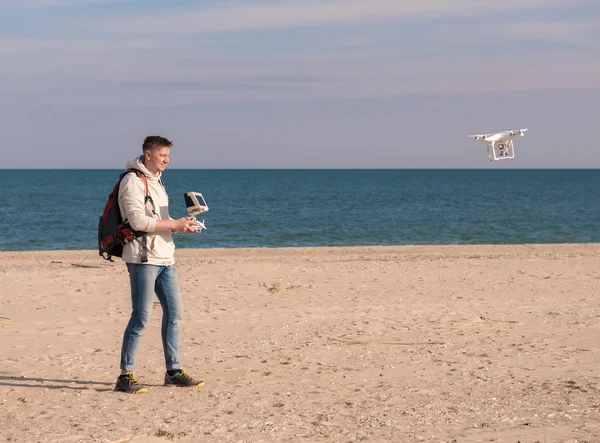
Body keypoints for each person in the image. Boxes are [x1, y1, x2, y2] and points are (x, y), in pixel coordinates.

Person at [114, 135, 203, 394]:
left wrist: (182, 225)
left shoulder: (157, 182)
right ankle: (125, 375)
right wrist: (173, 225)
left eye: (168, 155)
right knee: (141, 318)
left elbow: (159, 220)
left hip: (165, 257)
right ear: (149, 154)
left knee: (175, 314)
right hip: (142, 259)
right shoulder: (132, 181)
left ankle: (173, 371)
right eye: (163, 155)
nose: (167, 159)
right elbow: (137, 222)